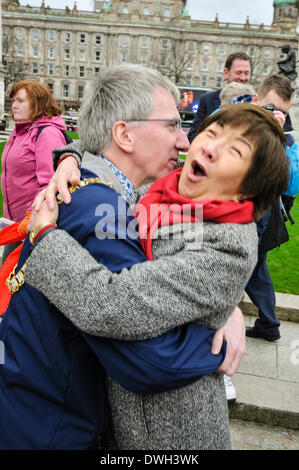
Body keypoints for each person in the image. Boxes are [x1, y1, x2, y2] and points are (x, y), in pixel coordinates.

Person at [0, 64, 245, 450]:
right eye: (171, 125)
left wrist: (224, 306)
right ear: (125, 135)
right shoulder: (103, 210)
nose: (184, 142)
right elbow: (145, 359)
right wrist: (218, 345)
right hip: (49, 428)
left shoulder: (89, 188)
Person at [25, 102, 289, 449]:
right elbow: (114, 157)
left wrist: (45, 238)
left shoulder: (227, 244)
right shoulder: (164, 191)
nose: (210, 147)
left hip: (170, 432)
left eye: (234, 151)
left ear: (246, 190)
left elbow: (114, 306)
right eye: (211, 133)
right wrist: (70, 159)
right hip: (120, 413)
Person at [244, 74, 299, 341]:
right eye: (272, 108)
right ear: (256, 101)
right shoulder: (237, 123)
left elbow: (291, 185)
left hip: (259, 216)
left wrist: (278, 140)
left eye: (284, 113)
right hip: (233, 211)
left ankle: (267, 323)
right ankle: (269, 323)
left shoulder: (286, 140)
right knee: (255, 268)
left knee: (246, 267)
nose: (278, 116)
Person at [0, 81, 68, 263]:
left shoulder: (47, 134)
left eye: (21, 101)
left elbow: (51, 183)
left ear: (37, 103)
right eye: (14, 100)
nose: (14, 105)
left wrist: (32, 215)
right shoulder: (18, 132)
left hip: (34, 225)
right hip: (15, 226)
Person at [187, 52, 251, 143]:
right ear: (226, 73)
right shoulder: (207, 100)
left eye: (246, 73)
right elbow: (192, 137)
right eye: (238, 72)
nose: (243, 77)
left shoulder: (256, 102)